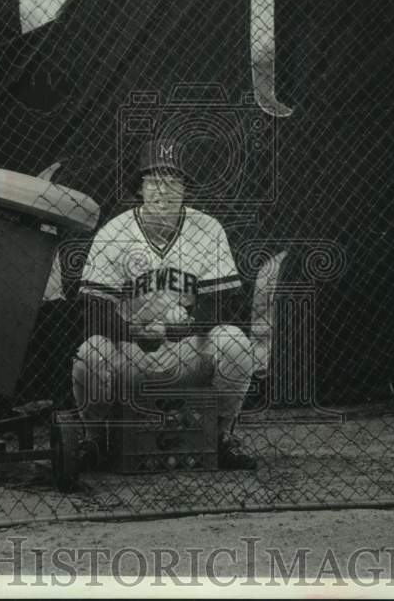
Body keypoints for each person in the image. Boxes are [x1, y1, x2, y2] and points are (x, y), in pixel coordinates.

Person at [71, 139, 259, 470]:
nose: (163, 191)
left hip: (187, 351)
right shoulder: (113, 233)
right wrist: (134, 332)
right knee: (90, 352)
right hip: (130, 355)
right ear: (139, 188)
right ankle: (93, 443)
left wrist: (178, 328)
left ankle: (222, 438)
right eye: (154, 181)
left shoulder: (208, 229)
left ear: (185, 189)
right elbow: (93, 311)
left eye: (173, 182)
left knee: (234, 342)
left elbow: (220, 306)